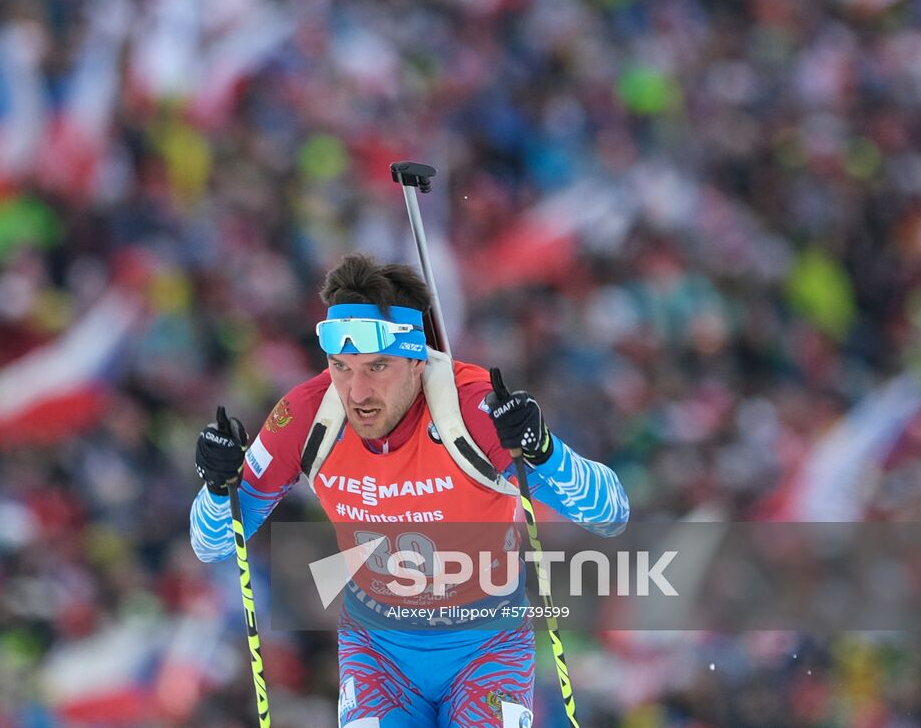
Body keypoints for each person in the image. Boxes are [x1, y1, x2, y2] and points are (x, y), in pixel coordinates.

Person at [190, 253, 629, 728]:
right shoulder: (307, 415)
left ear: (417, 361)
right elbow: (210, 544)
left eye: (378, 368)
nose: (356, 393)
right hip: (379, 654)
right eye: (342, 367)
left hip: (486, 649)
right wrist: (217, 489)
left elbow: (611, 511)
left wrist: (544, 450)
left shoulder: (471, 408)